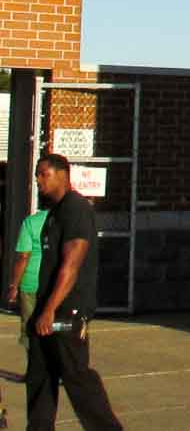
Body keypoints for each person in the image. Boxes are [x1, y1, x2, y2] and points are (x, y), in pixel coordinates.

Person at [26, 153, 122, 430]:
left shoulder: (76, 208)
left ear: (62, 175)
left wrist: (49, 309)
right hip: (47, 308)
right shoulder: (54, 213)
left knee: (76, 376)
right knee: (40, 376)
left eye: (43, 174)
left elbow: (72, 264)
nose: (37, 180)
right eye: (37, 174)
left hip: (67, 310)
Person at [7, 198, 49, 359]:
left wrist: (14, 285)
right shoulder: (64, 221)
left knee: (30, 328)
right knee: (54, 327)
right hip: (55, 283)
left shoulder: (30, 223)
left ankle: (34, 369)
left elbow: (24, 257)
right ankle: (55, 369)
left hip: (31, 282)